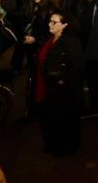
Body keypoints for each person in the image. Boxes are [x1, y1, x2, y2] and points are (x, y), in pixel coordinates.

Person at [31, 10, 84, 154]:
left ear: (65, 25)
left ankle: (64, 147)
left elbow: (76, 67)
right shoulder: (50, 39)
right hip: (46, 85)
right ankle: (52, 144)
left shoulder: (71, 42)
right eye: (50, 21)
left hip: (61, 90)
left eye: (54, 22)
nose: (50, 24)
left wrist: (62, 82)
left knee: (62, 120)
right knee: (49, 118)